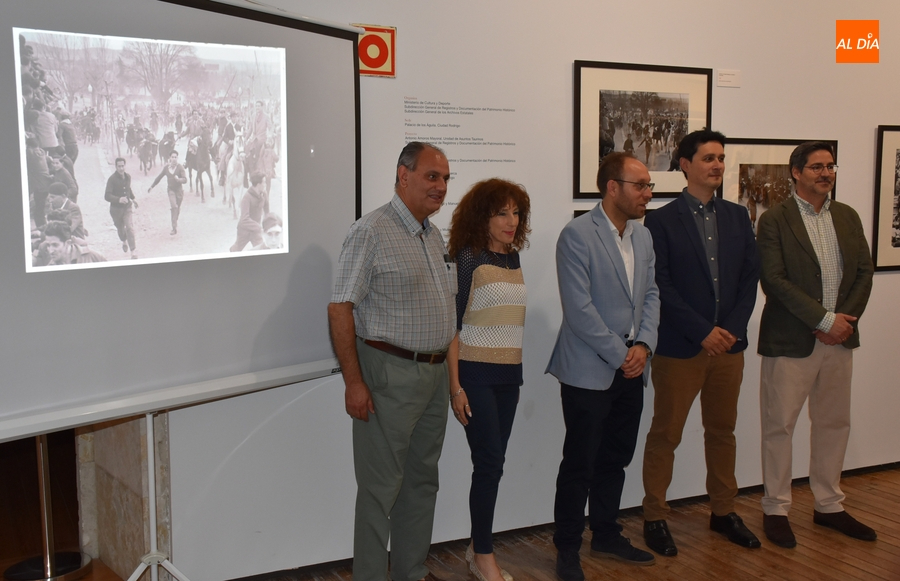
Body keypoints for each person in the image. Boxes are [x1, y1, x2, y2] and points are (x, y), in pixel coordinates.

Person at [328, 142, 456, 581]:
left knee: (422, 484)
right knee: (380, 491)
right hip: (387, 375)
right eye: (432, 176)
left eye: (445, 179)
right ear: (403, 175)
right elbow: (340, 307)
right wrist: (353, 382)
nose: (440, 186)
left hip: (434, 376)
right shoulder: (371, 231)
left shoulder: (432, 234)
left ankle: (411, 572)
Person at [639, 130, 761, 557]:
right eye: (708, 158)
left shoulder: (738, 216)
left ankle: (723, 511)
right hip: (681, 348)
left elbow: (749, 278)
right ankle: (654, 516)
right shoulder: (659, 220)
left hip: (729, 347)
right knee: (665, 434)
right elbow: (661, 285)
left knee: (722, 431)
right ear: (685, 164)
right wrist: (701, 331)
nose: (717, 165)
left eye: (721, 158)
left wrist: (728, 328)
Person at [546, 152, 660, 580]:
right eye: (641, 186)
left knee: (616, 457)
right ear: (613, 188)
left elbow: (651, 296)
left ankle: (607, 534)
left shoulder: (643, 238)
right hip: (589, 370)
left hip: (633, 366)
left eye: (649, 186)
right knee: (580, 464)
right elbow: (579, 310)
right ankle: (568, 548)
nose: (648, 194)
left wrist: (644, 346)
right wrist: (622, 354)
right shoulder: (576, 235)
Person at [757, 141, 875, 548]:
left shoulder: (847, 216)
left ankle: (828, 505)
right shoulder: (774, 219)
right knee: (779, 426)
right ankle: (775, 508)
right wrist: (824, 320)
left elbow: (864, 271)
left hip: (840, 340)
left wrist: (841, 323)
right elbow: (774, 280)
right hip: (792, 340)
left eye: (830, 166)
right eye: (816, 167)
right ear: (796, 172)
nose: (825, 173)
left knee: (833, 424)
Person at [447, 179, 531, 581]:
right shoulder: (469, 258)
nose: (511, 221)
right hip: (475, 376)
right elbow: (453, 327)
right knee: (489, 464)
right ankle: (483, 555)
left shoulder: (513, 259)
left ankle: (476, 545)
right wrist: (456, 386)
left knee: (493, 465)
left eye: (516, 212)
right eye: (502, 213)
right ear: (483, 216)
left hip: (508, 378)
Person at [33, 220, 105, 267]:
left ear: (68, 243)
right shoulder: (50, 267)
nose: (50, 251)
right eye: (48, 245)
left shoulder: (93, 257)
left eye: (55, 245)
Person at [148, 150, 188, 235]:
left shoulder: (180, 167)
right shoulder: (166, 168)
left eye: (175, 157)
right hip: (171, 190)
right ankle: (174, 228)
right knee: (174, 206)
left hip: (179, 191)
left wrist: (179, 179)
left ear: (177, 158)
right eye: (172, 157)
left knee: (177, 209)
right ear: (170, 158)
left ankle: (175, 219)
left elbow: (185, 180)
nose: (174, 159)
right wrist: (152, 186)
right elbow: (159, 177)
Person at [106, 157, 138, 258]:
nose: (121, 168)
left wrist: (133, 199)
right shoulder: (111, 179)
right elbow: (107, 196)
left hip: (127, 207)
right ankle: (124, 241)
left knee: (129, 227)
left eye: (123, 166)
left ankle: (133, 251)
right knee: (120, 229)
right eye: (119, 166)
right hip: (116, 210)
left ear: (125, 166)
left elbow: (128, 189)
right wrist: (118, 199)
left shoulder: (128, 177)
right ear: (116, 167)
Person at [230, 172, 267, 252]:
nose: (265, 184)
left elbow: (267, 211)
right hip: (244, 231)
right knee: (236, 250)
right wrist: (259, 227)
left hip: (256, 232)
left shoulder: (263, 194)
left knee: (262, 250)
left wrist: (270, 224)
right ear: (258, 184)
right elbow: (244, 219)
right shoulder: (246, 198)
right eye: (264, 182)